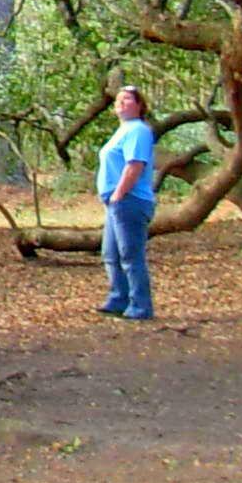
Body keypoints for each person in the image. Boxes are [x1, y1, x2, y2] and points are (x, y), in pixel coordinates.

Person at [97, 85, 159, 321]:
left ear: (140, 106)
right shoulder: (122, 130)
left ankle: (141, 306)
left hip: (129, 201)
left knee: (130, 254)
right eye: (119, 100)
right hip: (116, 202)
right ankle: (118, 299)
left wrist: (118, 194)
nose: (121, 103)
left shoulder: (139, 130)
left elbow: (135, 165)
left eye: (128, 99)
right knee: (110, 254)